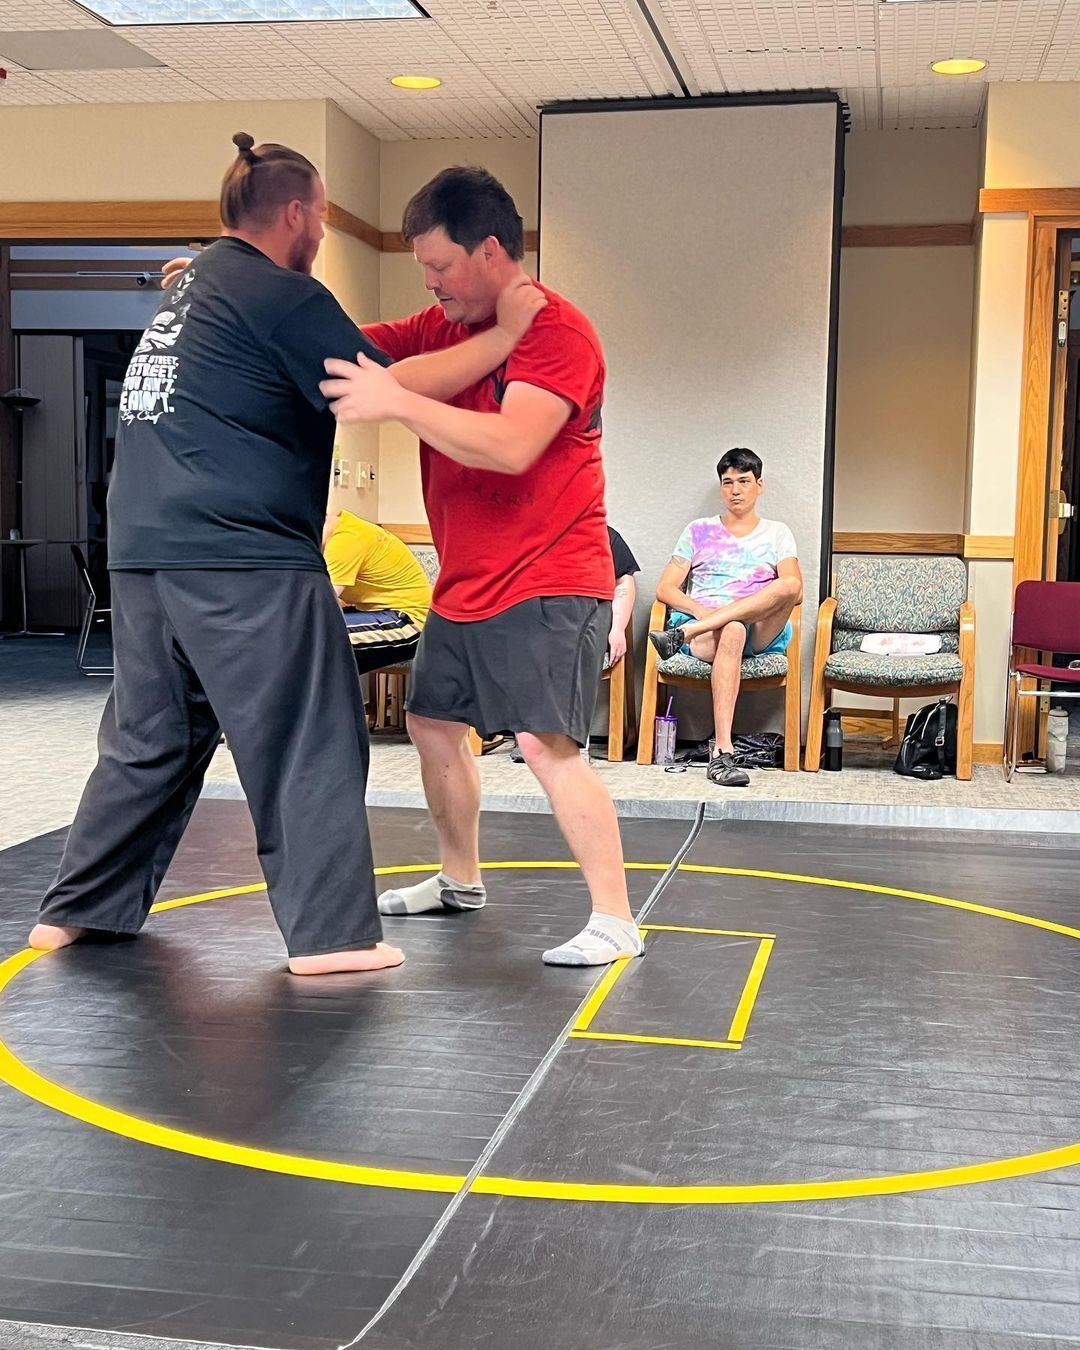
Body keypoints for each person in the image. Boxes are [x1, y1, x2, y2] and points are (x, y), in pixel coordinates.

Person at [29, 135, 545, 975]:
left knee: (151, 738)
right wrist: (505, 337)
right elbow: (383, 385)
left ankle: (77, 910)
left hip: (143, 554)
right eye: (324, 217)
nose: (322, 234)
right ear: (299, 213)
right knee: (310, 734)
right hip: (244, 557)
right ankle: (334, 939)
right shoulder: (281, 292)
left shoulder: (192, 288)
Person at [319, 166, 642, 969]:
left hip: (550, 577)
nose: (430, 283)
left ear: (491, 251)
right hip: (464, 583)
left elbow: (510, 444)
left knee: (544, 744)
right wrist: (227, 295)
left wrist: (397, 402)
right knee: (432, 724)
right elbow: (328, 342)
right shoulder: (439, 326)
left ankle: (616, 919)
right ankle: (459, 879)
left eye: (441, 266)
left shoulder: (558, 332)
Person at [650, 448, 802, 788]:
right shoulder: (698, 530)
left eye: (744, 482)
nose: (735, 490)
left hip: (759, 630)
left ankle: (687, 633)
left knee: (790, 585)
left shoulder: (777, 533)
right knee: (732, 628)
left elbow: (795, 592)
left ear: (759, 485)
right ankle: (722, 752)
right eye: (728, 482)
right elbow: (665, 588)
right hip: (710, 633)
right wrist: (702, 612)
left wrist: (700, 624)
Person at [323, 510, 431, 676]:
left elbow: (323, 602)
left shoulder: (345, 540)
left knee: (320, 632)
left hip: (411, 622)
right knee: (313, 631)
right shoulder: (342, 528)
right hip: (381, 612)